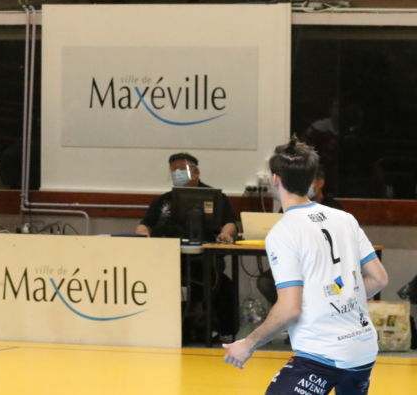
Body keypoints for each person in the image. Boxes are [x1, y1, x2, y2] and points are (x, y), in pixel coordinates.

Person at [223, 139, 389, 395]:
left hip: (323, 352)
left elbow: (289, 309)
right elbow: (379, 279)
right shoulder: (345, 219)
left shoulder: (284, 231)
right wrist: (339, 300)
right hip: (363, 348)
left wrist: (249, 343)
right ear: (312, 179)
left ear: (275, 179)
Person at [135, 152, 239, 343]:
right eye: (173, 170)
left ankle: (210, 328)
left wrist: (226, 234)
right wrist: (142, 232)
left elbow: (230, 223)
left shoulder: (216, 197)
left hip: (204, 259)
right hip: (165, 258)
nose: (177, 173)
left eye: (181, 170)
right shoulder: (163, 201)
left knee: (219, 282)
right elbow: (145, 224)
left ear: (196, 172)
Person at [256, 165, 344, 305]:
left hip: (323, 265)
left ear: (320, 182)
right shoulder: (289, 208)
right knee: (266, 281)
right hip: (295, 263)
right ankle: (287, 316)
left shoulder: (333, 209)